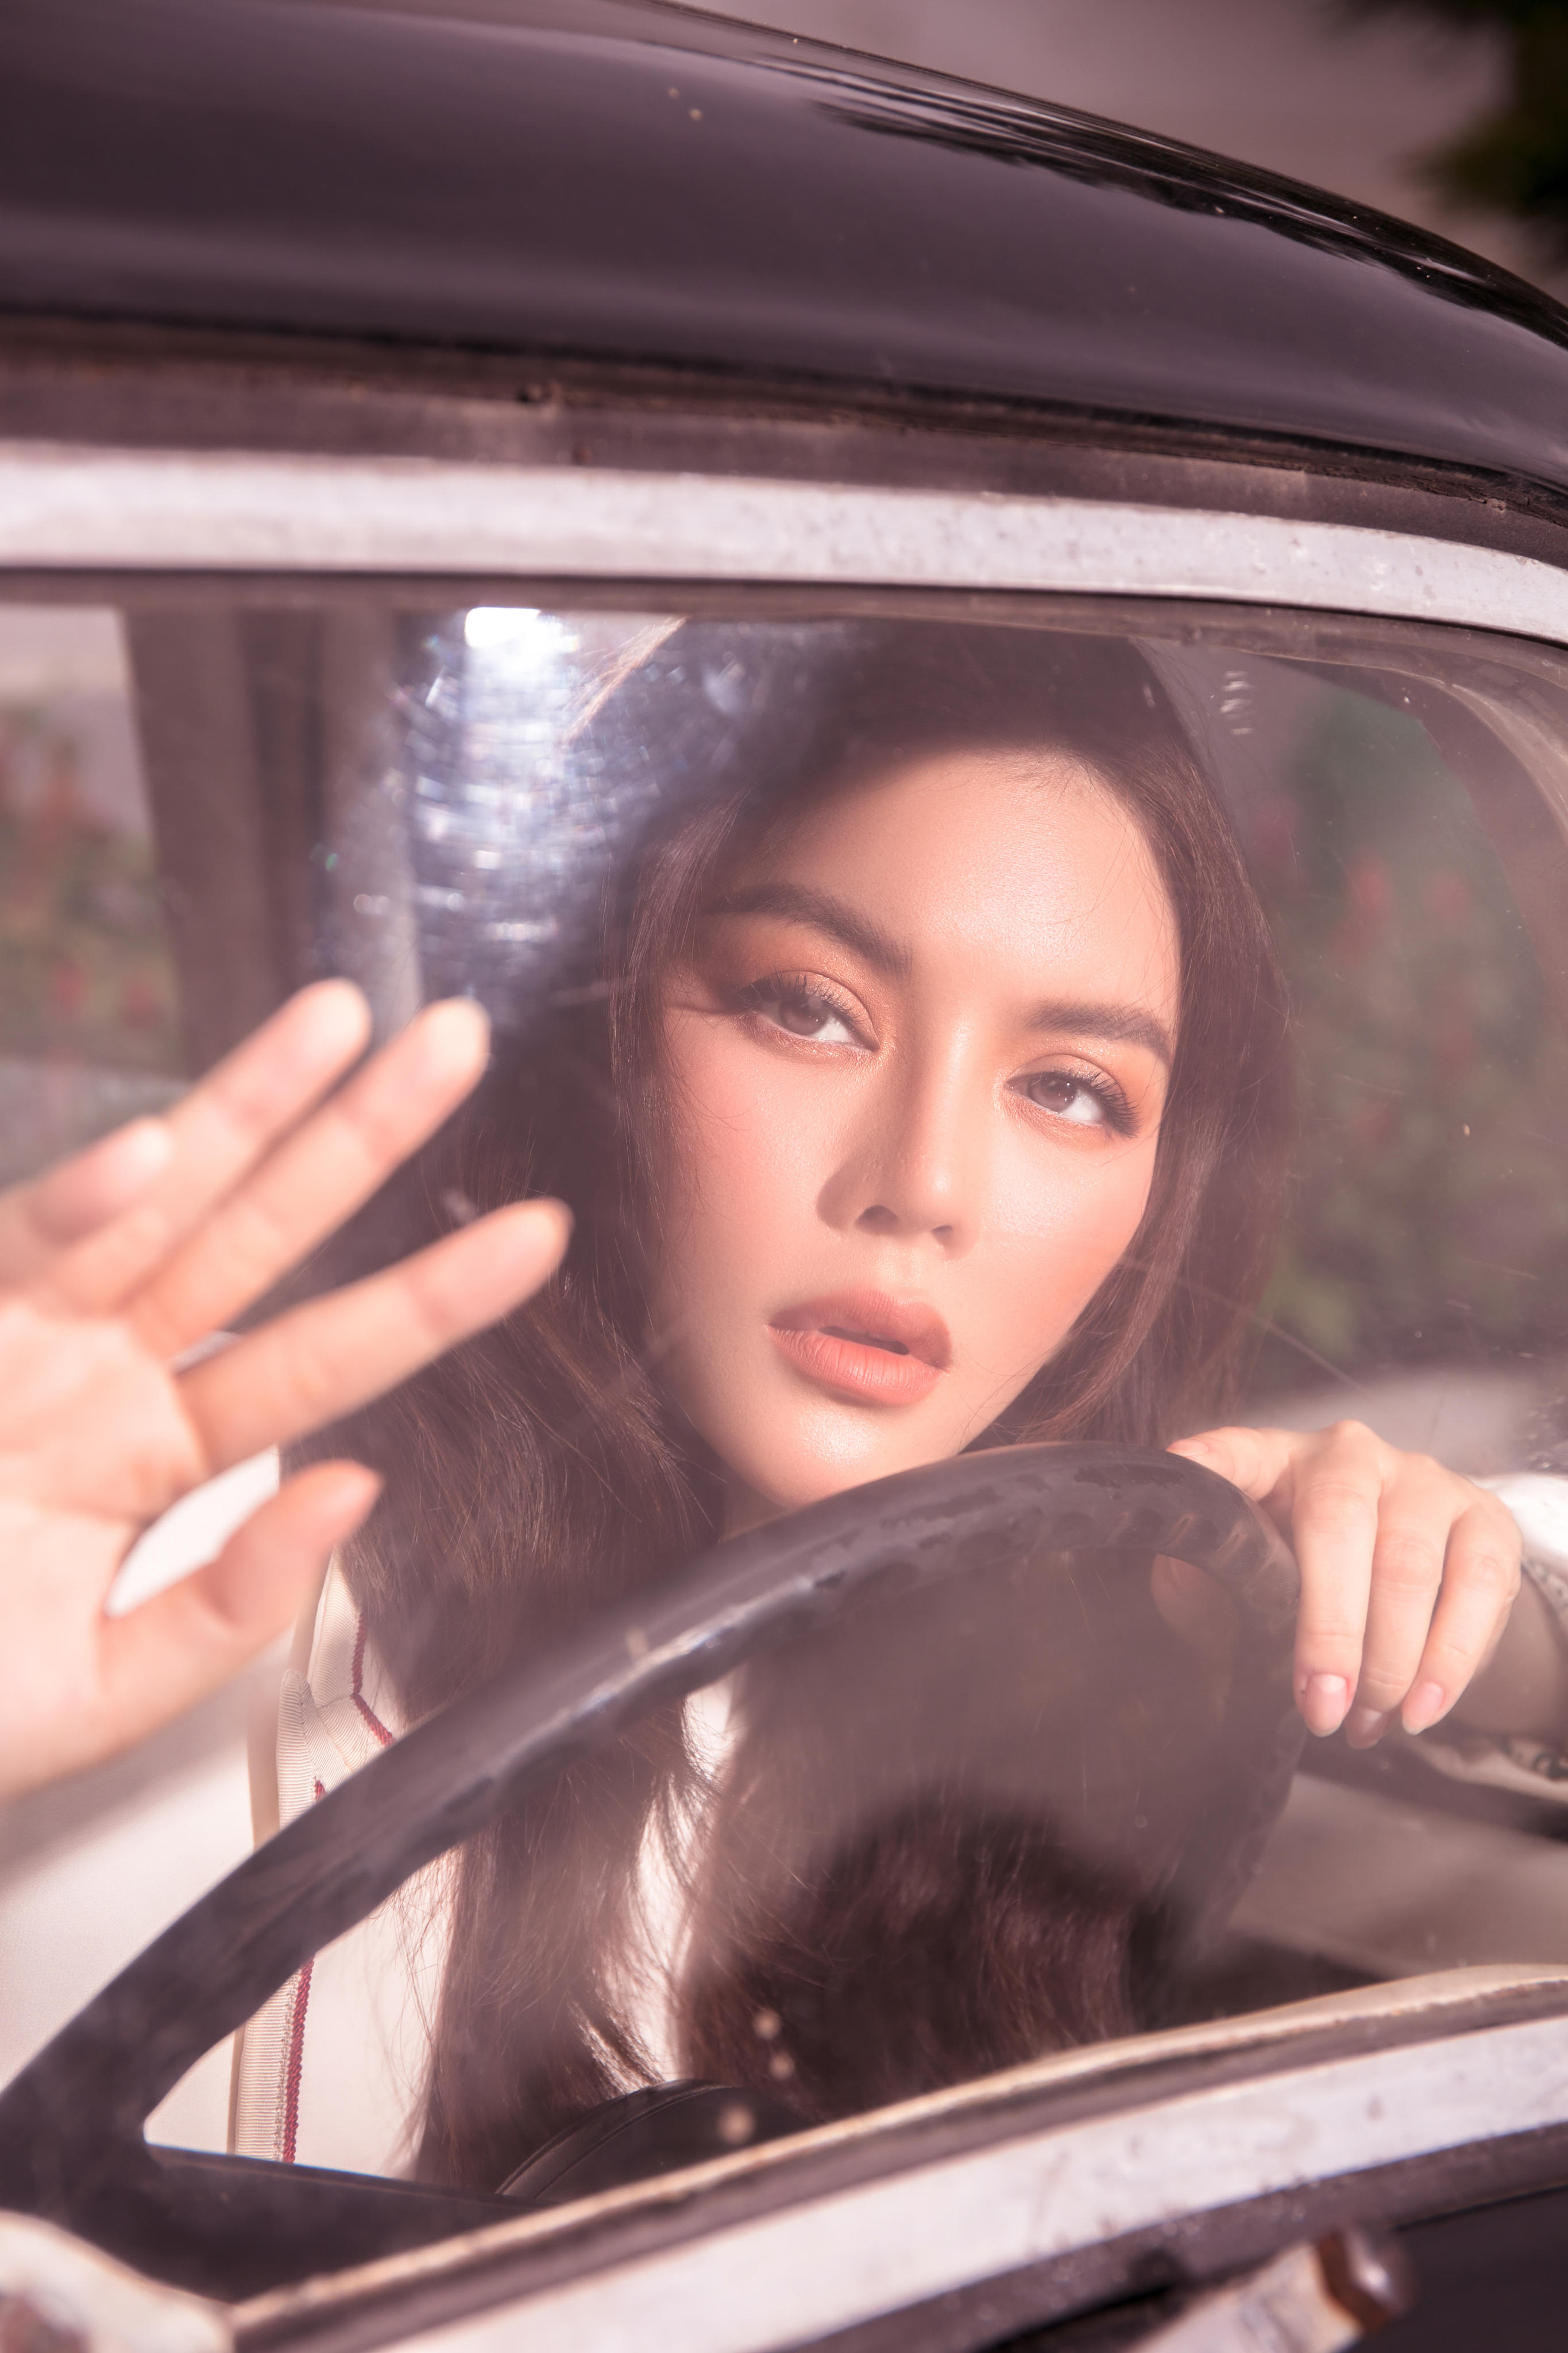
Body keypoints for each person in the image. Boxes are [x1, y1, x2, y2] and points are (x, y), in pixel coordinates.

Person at [2, 623, 1555, 2191]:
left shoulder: (1100, 1657)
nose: (922, 1184)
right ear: (599, 1029)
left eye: (1068, 1089)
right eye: (809, 1008)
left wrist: (1438, 1587)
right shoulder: (203, 1547)